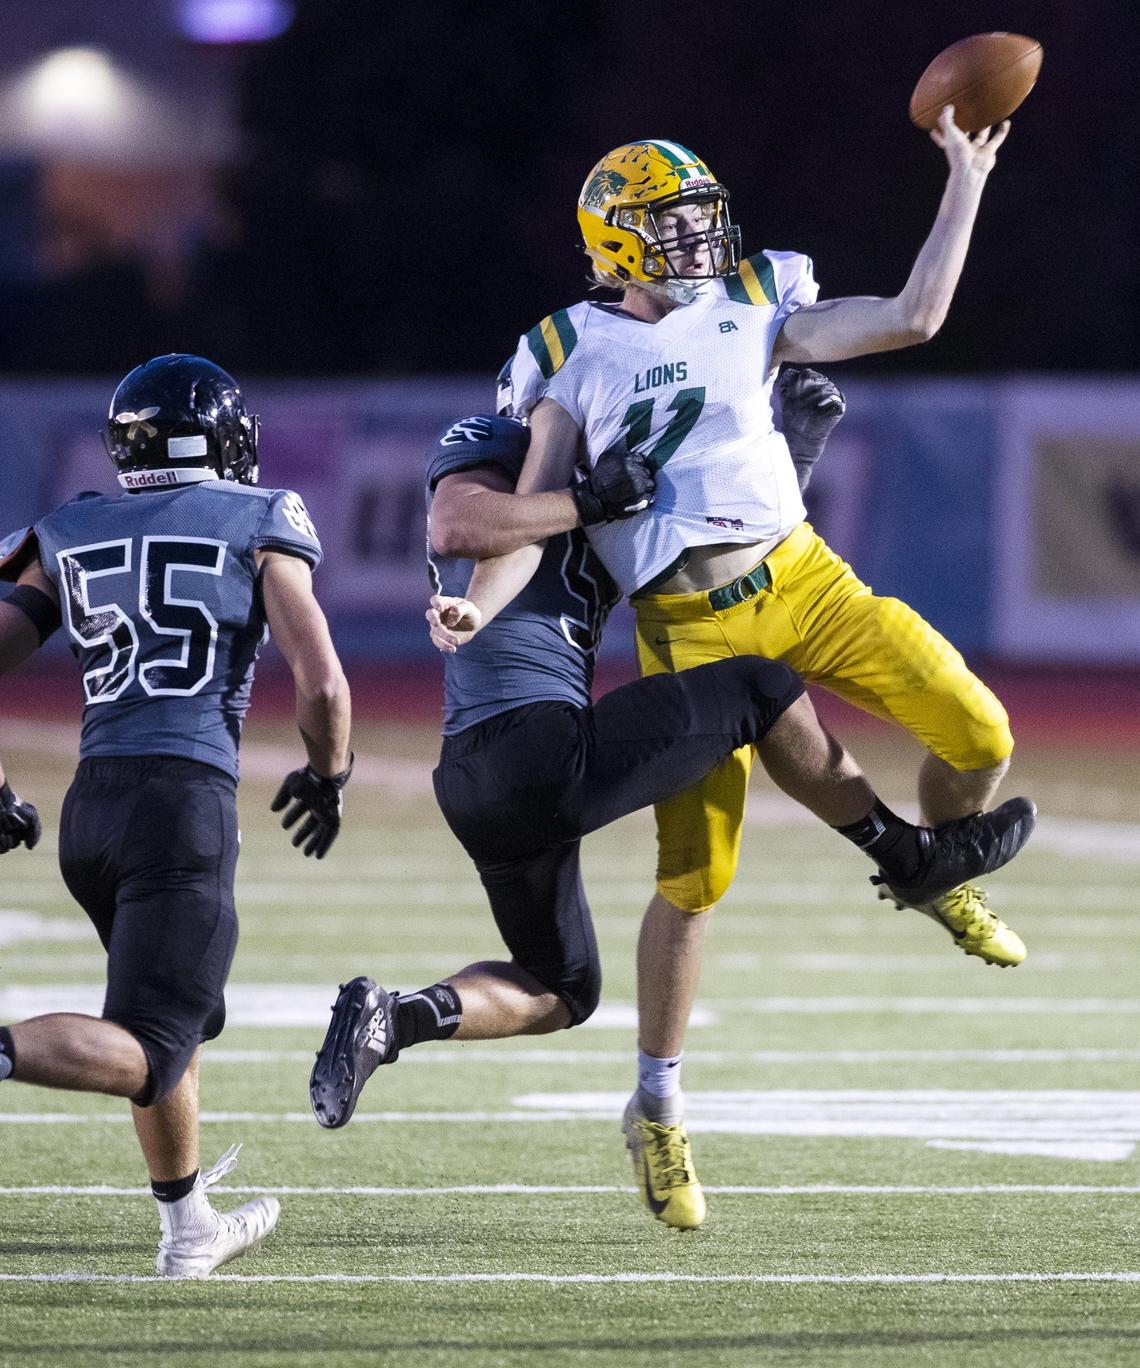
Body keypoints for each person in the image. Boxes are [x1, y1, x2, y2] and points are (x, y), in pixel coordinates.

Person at [431, 111, 1022, 1228]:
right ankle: (655, 1106)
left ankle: (936, 866)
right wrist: (476, 603)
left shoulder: (756, 299)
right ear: (614, 243)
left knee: (981, 733)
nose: (700, 241)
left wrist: (965, 178)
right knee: (697, 885)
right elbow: (527, 521)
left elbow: (914, 316)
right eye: (672, 225)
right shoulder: (568, 350)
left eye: (703, 217)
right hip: (689, 621)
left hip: (806, 575)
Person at [307, 414, 1036, 1234]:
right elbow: (460, 521)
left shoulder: (610, 467)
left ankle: (392, 1017)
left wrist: (784, 445)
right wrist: (581, 495)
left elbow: (704, 536)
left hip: (476, 777)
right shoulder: (507, 447)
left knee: (559, 990)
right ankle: (906, 856)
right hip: (537, 749)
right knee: (761, 690)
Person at [0, 354, 353, 1278]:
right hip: (181, 805)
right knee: (154, 1045)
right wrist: (329, 772)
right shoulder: (259, 516)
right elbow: (321, 682)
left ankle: (188, 1227)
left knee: (175, 1016)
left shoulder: (68, 525)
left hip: (92, 810)